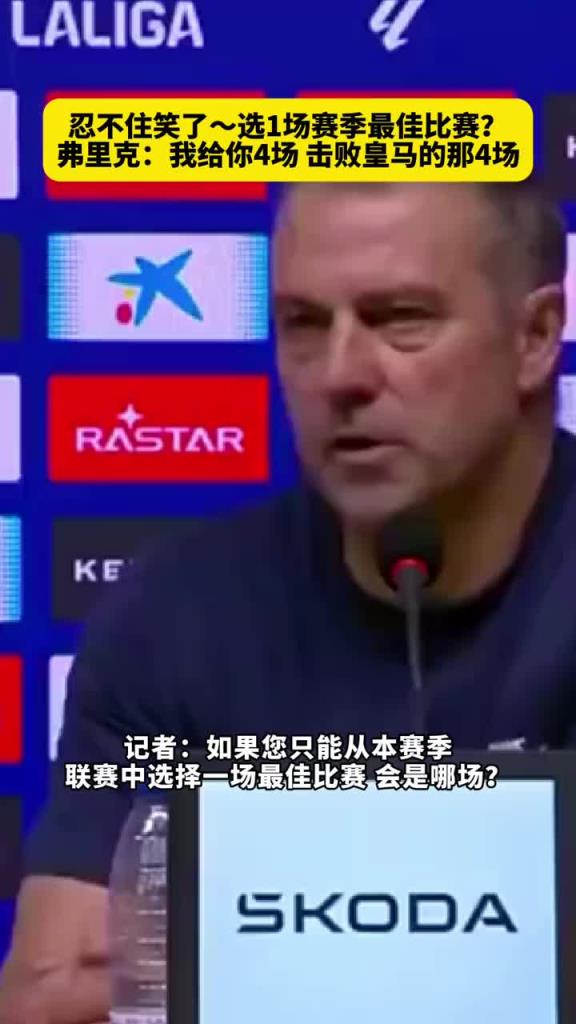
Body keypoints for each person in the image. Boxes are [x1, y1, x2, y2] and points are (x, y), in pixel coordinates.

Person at [1, 177, 575, 1022]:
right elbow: (48, 1002)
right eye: (304, 324)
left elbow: (136, 994)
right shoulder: (177, 614)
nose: (340, 374)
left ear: (535, 337)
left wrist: (237, 956)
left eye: (399, 319)